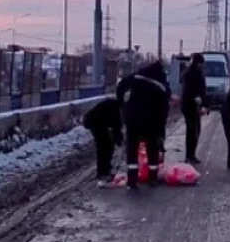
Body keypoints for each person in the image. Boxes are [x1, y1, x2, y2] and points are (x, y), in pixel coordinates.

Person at [116, 60, 171, 189]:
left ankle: (132, 180)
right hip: (151, 121)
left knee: (132, 148)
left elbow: (121, 86)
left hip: (133, 119)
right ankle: (152, 178)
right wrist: (161, 131)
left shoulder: (135, 77)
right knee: (152, 149)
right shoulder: (161, 88)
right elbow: (164, 109)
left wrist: (122, 104)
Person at [83, 97, 124, 187]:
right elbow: (116, 127)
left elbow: (116, 127)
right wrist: (120, 141)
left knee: (108, 146)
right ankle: (103, 173)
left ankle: (106, 170)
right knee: (104, 147)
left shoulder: (114, 105)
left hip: (98, 123)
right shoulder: (115, 108)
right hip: (94, 122)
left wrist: (118, 140)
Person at [180, 53, 208, 164]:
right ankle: (189, 155)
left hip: (196, 106)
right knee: (191, 131)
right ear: (196, 63)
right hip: (189, 106)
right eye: (200, 63)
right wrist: (194, 97)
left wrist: (205, 104)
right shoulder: (188, 74)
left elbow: (203, 90)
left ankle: (192, 154)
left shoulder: (200, 74)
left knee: (197, 130)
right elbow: (186, 91)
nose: (201, 66)